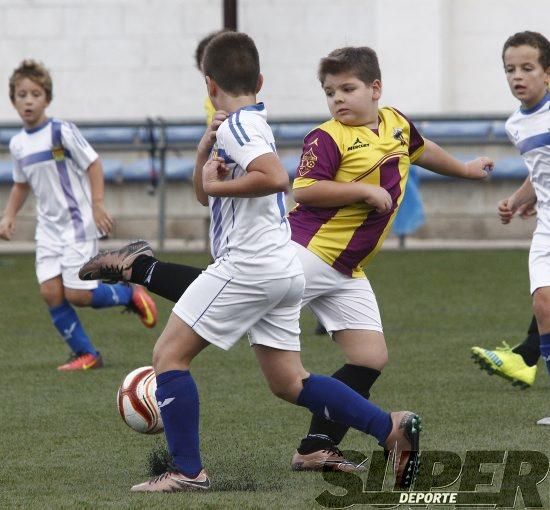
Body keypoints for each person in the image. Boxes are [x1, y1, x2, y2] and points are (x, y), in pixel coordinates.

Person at [81, 44, 494, 473]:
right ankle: (141, 268)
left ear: (375, 89)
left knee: (367, 358)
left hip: (348, 270)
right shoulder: (327, 136)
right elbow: (303, 189)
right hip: (306, 250)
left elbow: (422, 150)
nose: (337, 99)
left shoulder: (395, 124)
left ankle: (317, 445)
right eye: (329, 92)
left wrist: (464, 169)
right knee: (230, 297)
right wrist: (363, 190)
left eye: (346, 89)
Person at [0, 60, 158, 371]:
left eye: (35, 93)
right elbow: (20, 184)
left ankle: (128, 295)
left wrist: (97, 204)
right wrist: (8, 215)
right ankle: (88, 354)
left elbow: (93, 164)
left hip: (76, 225)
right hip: (48, 230)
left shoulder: (61, 131)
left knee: (78, 294)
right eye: (21, 94)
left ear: (47, 98)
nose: (28, 100)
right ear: (13, 100)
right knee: (50, 292)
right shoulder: (18, 143)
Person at [471, 31, 550, 426]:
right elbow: (539, 171)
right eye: (509, 69)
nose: (517, 76)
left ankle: (522, 357)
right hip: (547, 228)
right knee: (543, 304)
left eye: (527, 68)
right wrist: (519, 200)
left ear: (547, 74)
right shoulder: (516, 124)